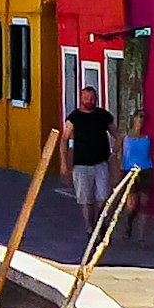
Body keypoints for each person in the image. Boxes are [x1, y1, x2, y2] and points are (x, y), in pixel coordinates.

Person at [66, 87, 115, 220]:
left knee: (103, 197)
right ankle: (89, 227)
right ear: (81, 98)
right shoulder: (74, 117)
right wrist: (64, 164)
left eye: (92, 98)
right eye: (86, 98)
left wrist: (118, 152)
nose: (89, 101)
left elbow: (116, 133)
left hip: (101, 163)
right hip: (81, 165)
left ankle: (99, 222)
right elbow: (64, 139)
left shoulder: (103, 115)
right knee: (85, 199)